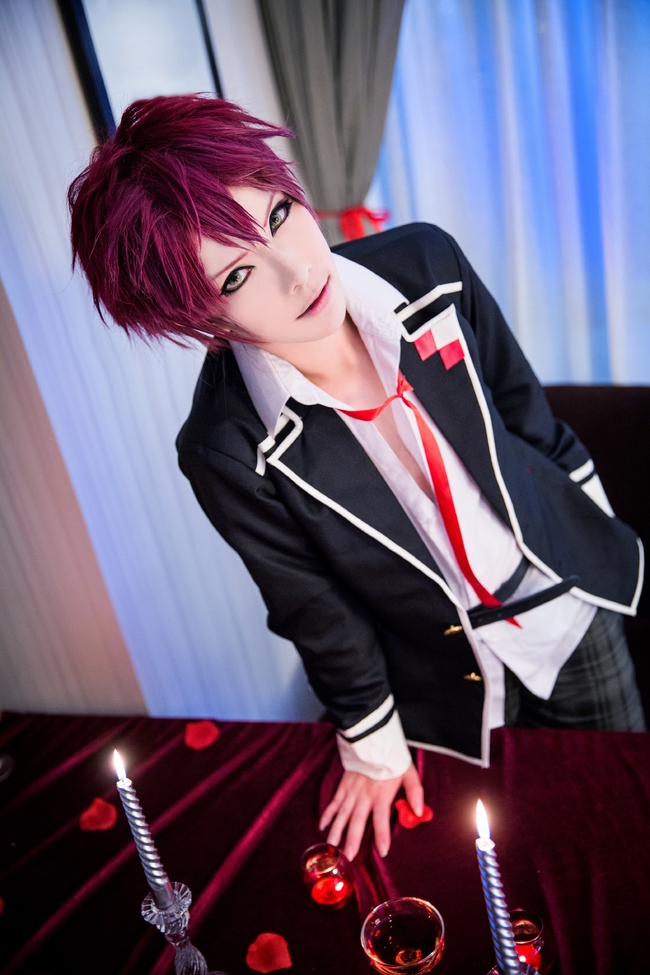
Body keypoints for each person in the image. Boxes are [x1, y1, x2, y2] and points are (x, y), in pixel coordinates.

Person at [68, 94, 645, 861]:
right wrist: (372, 743)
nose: (298, 270)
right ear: (205, 324)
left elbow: (524, 410)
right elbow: (314, 605)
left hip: (563, 604)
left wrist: (589, 534)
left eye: (279, 214)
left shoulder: (428, 265)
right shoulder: (225, 448)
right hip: (443, 674)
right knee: (514, 863)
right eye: (237, 276)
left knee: (624, 828)